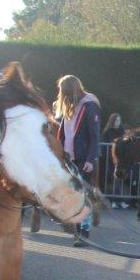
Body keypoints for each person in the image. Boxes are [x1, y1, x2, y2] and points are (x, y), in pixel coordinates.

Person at [54, 75, 103, 245]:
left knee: (83, 197)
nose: (62, 96)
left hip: (83, 159)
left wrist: (91, 159)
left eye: (64, 91)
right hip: (70, 158)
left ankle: (84, 232)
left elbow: (95, 136)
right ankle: (77, 227)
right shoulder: (71, 106)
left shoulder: (89, 106)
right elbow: (65, 131)